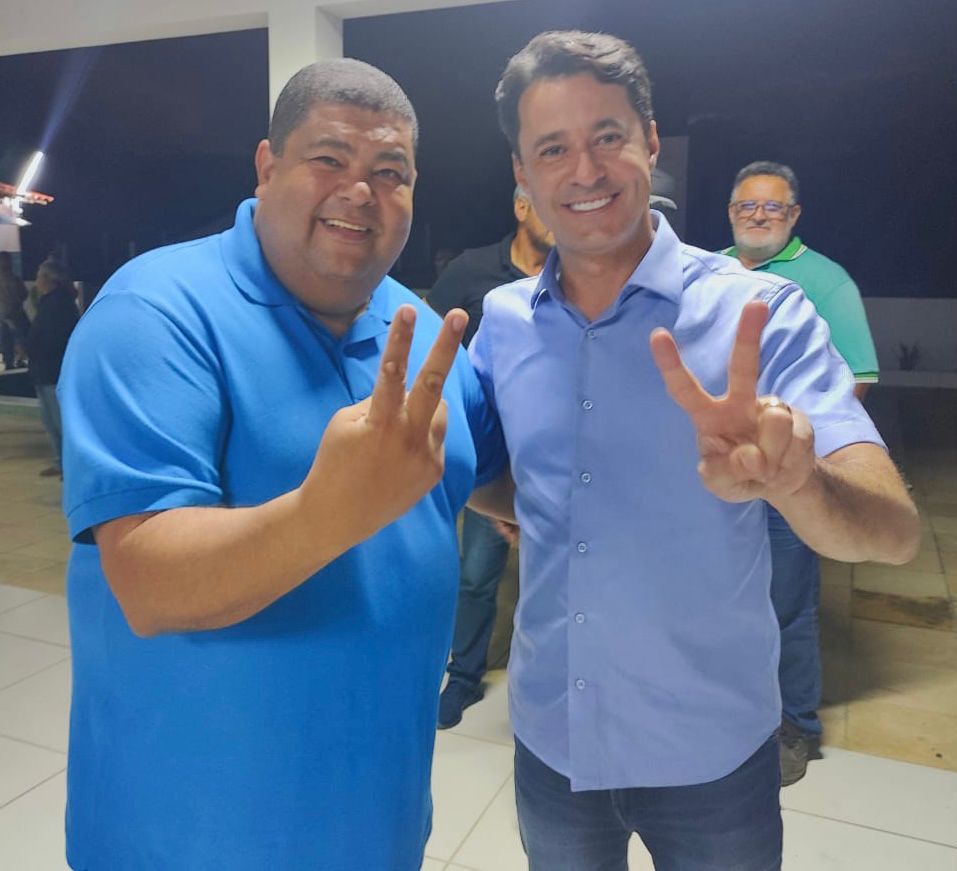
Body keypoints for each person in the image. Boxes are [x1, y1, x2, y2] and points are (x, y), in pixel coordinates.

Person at [467, 31, 920, 870]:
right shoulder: (502, 323)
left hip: (710, 753)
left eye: (606, 135)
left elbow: (892, 532)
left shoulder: (760, 313)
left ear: (649, 141)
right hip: (552, 740)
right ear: (522, 176)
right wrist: (529, 507)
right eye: (552, 148)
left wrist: (795, 481)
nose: (584, 170)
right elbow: (487, 470)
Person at [57, 59, 505, 871]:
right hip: (187, 835)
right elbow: (149, 585)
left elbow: (487, 484)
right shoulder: (156, 312)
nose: (360, 191)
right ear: (266, 167)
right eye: (328, 158)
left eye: (390, 172)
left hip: (376, 818)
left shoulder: (422, 335)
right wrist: (327, 513)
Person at [723, 160, 880, 785]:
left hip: (788, 480)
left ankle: (797, 726)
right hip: (719, 476)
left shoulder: (825, 281)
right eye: (747, 205)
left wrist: (799, 455)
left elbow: (855, 381)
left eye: (772, 206)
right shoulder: (706, 269)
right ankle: (733, 712)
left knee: (787, 605)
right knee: (724, 598)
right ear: (731, 212)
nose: (759, 216)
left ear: (794, 215)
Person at [428, 186, 553, 728]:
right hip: (491, 453)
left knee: (570, 576)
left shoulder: (582, 275)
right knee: (478, 574)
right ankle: (463, 677)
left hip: (558, 455)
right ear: (521, 207)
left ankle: (557, 684)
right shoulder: (473, 271)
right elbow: (432, 342)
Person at [28, 257, 78, 477]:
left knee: (59, 421)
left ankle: (70, 465)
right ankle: (61, 462)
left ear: (49, 279)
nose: (36, 281)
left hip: (52, 370)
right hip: (44, 370)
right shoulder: (50, 302)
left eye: (39, 276)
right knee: (51, 421)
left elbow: (52, 338)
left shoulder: (58, 304)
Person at [0, 250, 29, 370]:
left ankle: (10, 360)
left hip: (6, 313)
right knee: (18, 337)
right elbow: (24, 294)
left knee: (8, 339)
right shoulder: (14, 278)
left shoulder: (13, 278)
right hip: (13, 313)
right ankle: (18, 359)